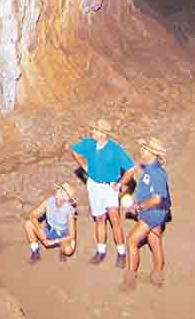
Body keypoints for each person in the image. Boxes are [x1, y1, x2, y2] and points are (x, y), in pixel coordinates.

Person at [68, 117, 134, 265]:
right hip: (94, 186)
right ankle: (101, 250)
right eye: (94, 129)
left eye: (96, 130)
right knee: (99, 219)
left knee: (114, 219)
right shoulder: (89, 144)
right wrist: (85, 167)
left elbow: (130, 169)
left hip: (109, 187)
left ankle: (121, 253)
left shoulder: (115, 149)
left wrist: (119, 184)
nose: (93, 132)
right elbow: (74, 151)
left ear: (103, 133)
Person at [118, 136, 172, 287]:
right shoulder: (150, 169)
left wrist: (138, 206)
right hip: (155, 212)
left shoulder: (156, 173)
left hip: (152, 213)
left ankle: (130, 278)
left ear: (153, 153)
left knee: (131, 241)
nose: (141, 150)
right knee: (154, 241)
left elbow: (156, 199)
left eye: (145, 148)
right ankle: (157, 275)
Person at [23, 182, 78, 262]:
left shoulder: (69, 211)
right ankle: (35, 251)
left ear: (67, 199)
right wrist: (40, 230)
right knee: (28, 224)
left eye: (63, 192)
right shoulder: (49, 201)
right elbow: (32, 215)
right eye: (59, 189)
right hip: (49, 230)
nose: (58, 191)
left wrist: (53, 242)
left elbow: (71, 236)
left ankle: (62, 250)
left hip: (63, 234)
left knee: (68, 250)